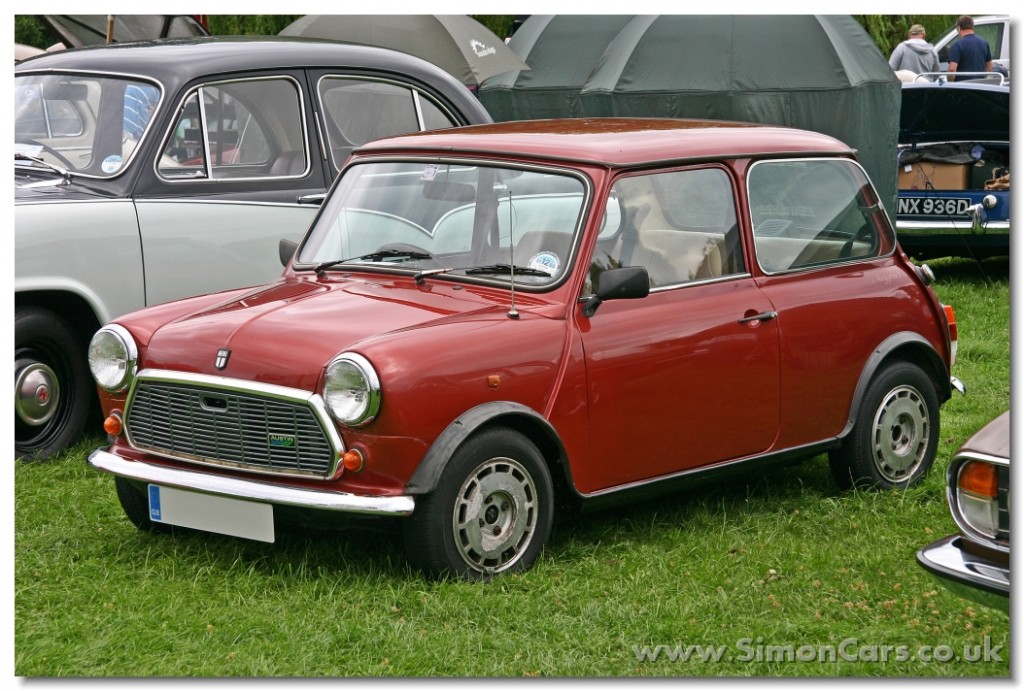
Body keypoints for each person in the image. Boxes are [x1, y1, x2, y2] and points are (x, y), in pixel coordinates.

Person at [947, 16, 992, 80]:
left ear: (959, 28)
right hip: (980, 86)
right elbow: (989, 66)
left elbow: (952, 70)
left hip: (963, 86)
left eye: (957, 30)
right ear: (972, 27)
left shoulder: (957, 45)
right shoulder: (984, 43)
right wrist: (982, 79)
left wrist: (950, 84)